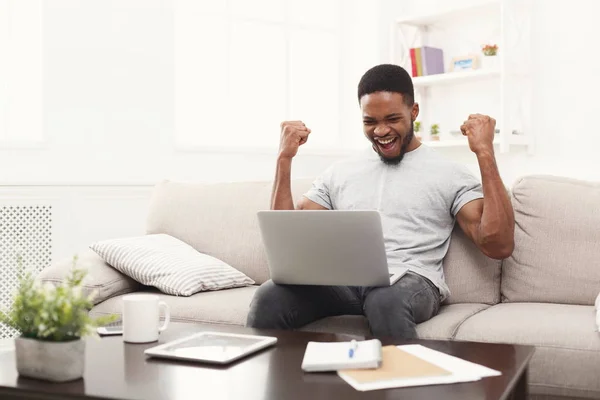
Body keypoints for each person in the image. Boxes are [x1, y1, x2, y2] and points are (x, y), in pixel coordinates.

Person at [246, 64, 515, 339]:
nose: (381, 131)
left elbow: (498, 244)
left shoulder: (450, 172)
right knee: (270, 295)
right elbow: (287, 238)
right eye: (370, 122)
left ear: (414, 112)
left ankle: (403, 380)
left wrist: (484, 152)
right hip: (345, 282)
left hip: (410, 281)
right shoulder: (341, 172)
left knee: (383, 299)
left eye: (392, 119)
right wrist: (284, 158)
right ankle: (280, 381)